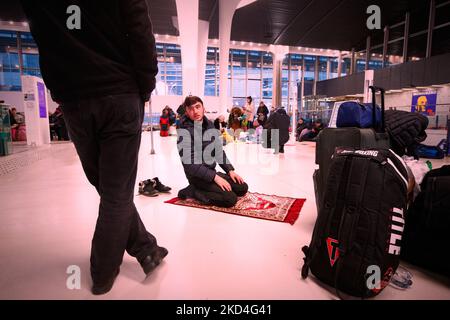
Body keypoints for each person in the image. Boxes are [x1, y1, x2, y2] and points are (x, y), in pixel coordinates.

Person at [20, 0, 167, 295]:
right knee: (115, 193)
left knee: (109, 187)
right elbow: (139, 29)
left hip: (75, 101)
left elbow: (43, 36)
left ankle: (146, 248)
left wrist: (59, 88)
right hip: (119, 93)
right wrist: (145, 85)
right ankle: (102, 273)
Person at [177, 96, 248, 208]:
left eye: (197, 107)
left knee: (242, 187)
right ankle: (193, 191)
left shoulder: (209, 125)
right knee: (230, 199)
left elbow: (218, 151)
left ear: (203, 108)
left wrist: (230, 170)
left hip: (210, 172)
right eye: (191, 109)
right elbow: (189, 164)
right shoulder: (184, 131)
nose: (195, 111)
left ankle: (211, 184)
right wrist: (215, 177)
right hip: (197, 177)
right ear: (186, 112)